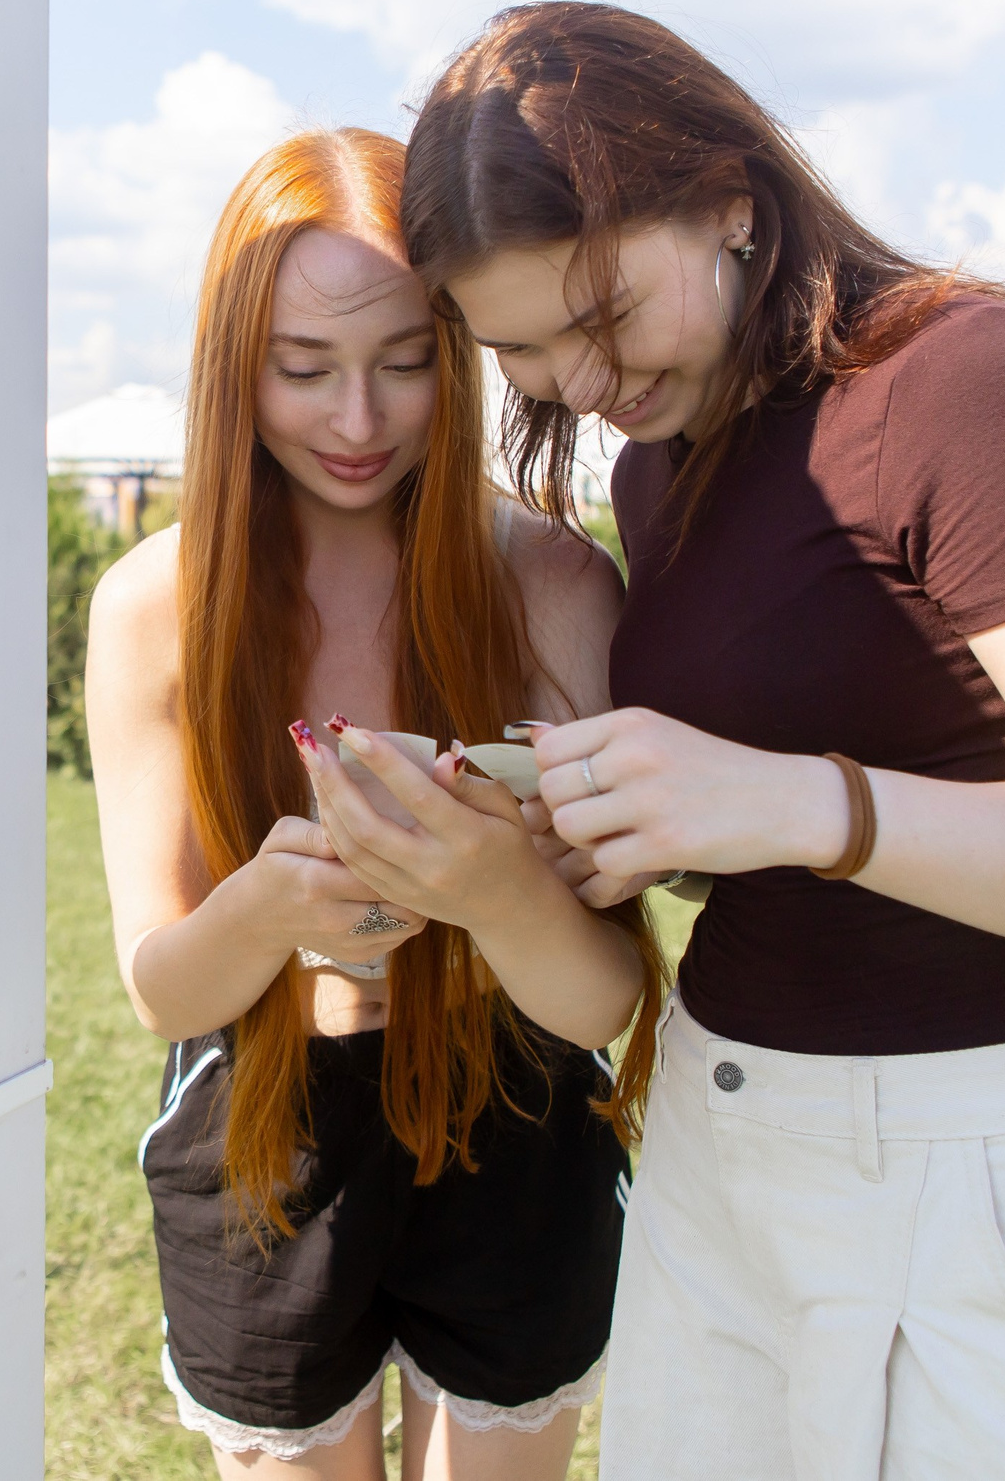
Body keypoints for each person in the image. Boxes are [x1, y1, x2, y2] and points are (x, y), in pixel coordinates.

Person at [396, 2, 1005, 1480]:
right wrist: (612, 821)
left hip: (983, 1170)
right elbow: (778, 819)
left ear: (732, 199)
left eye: (602, 317)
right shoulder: (665, 460)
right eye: (524, 353)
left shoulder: (959, 378)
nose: (583, 386)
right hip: (724, 1146)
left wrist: (803, 803)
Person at [85, 127, 664, 1480]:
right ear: (236, 365)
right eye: (303, 369)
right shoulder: (151, 607)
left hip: (521, 1111)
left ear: (461, 347)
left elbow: (600, 1001)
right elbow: (166, 987)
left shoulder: (557, 584)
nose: (358, 421)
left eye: (407, 361)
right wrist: (280, 897)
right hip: (265, 1115)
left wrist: (504, 885)